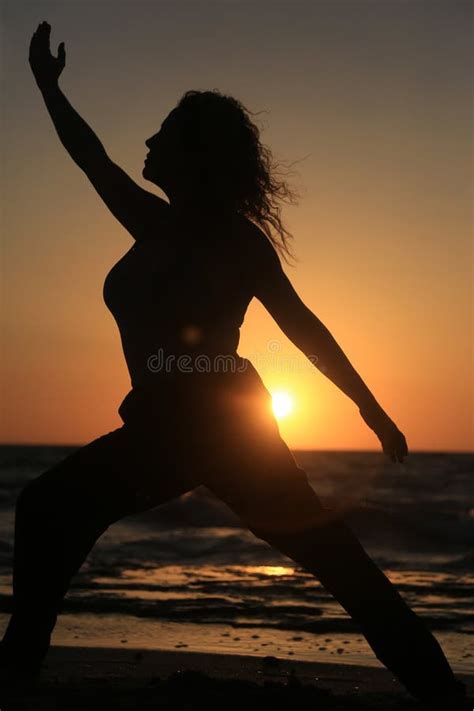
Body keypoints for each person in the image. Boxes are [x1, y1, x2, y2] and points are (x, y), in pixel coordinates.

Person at [0, 21, 467, 707]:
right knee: (338, 564)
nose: (150, 145)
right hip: (191, 427)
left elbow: (304, 326)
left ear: (195, 155)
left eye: (163, 136)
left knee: (52, 510)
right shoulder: (177, 225)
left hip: (206, 427)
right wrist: (47, 87)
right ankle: (18, 671)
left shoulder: (204, 234)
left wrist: (371, 408)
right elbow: (88, 155)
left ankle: (15, 675)